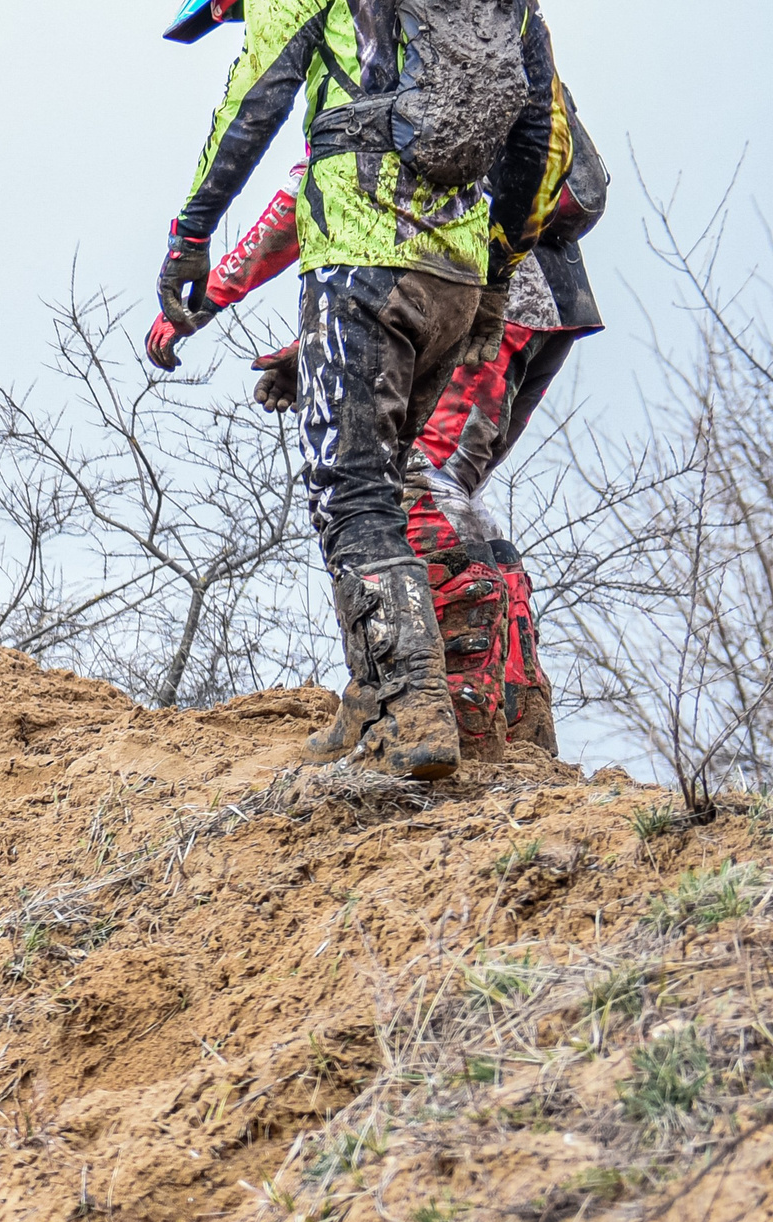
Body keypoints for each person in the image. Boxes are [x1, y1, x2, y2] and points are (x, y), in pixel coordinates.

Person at [147, 76, 603, 762]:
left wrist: (206, 295)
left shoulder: (365, 44)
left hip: (479, 288)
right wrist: (321, 347)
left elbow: (308, 203)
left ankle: (463, 719)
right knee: (449, 495)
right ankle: (518, 710)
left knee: (417, 497)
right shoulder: (473, 35)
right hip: (535, 292)